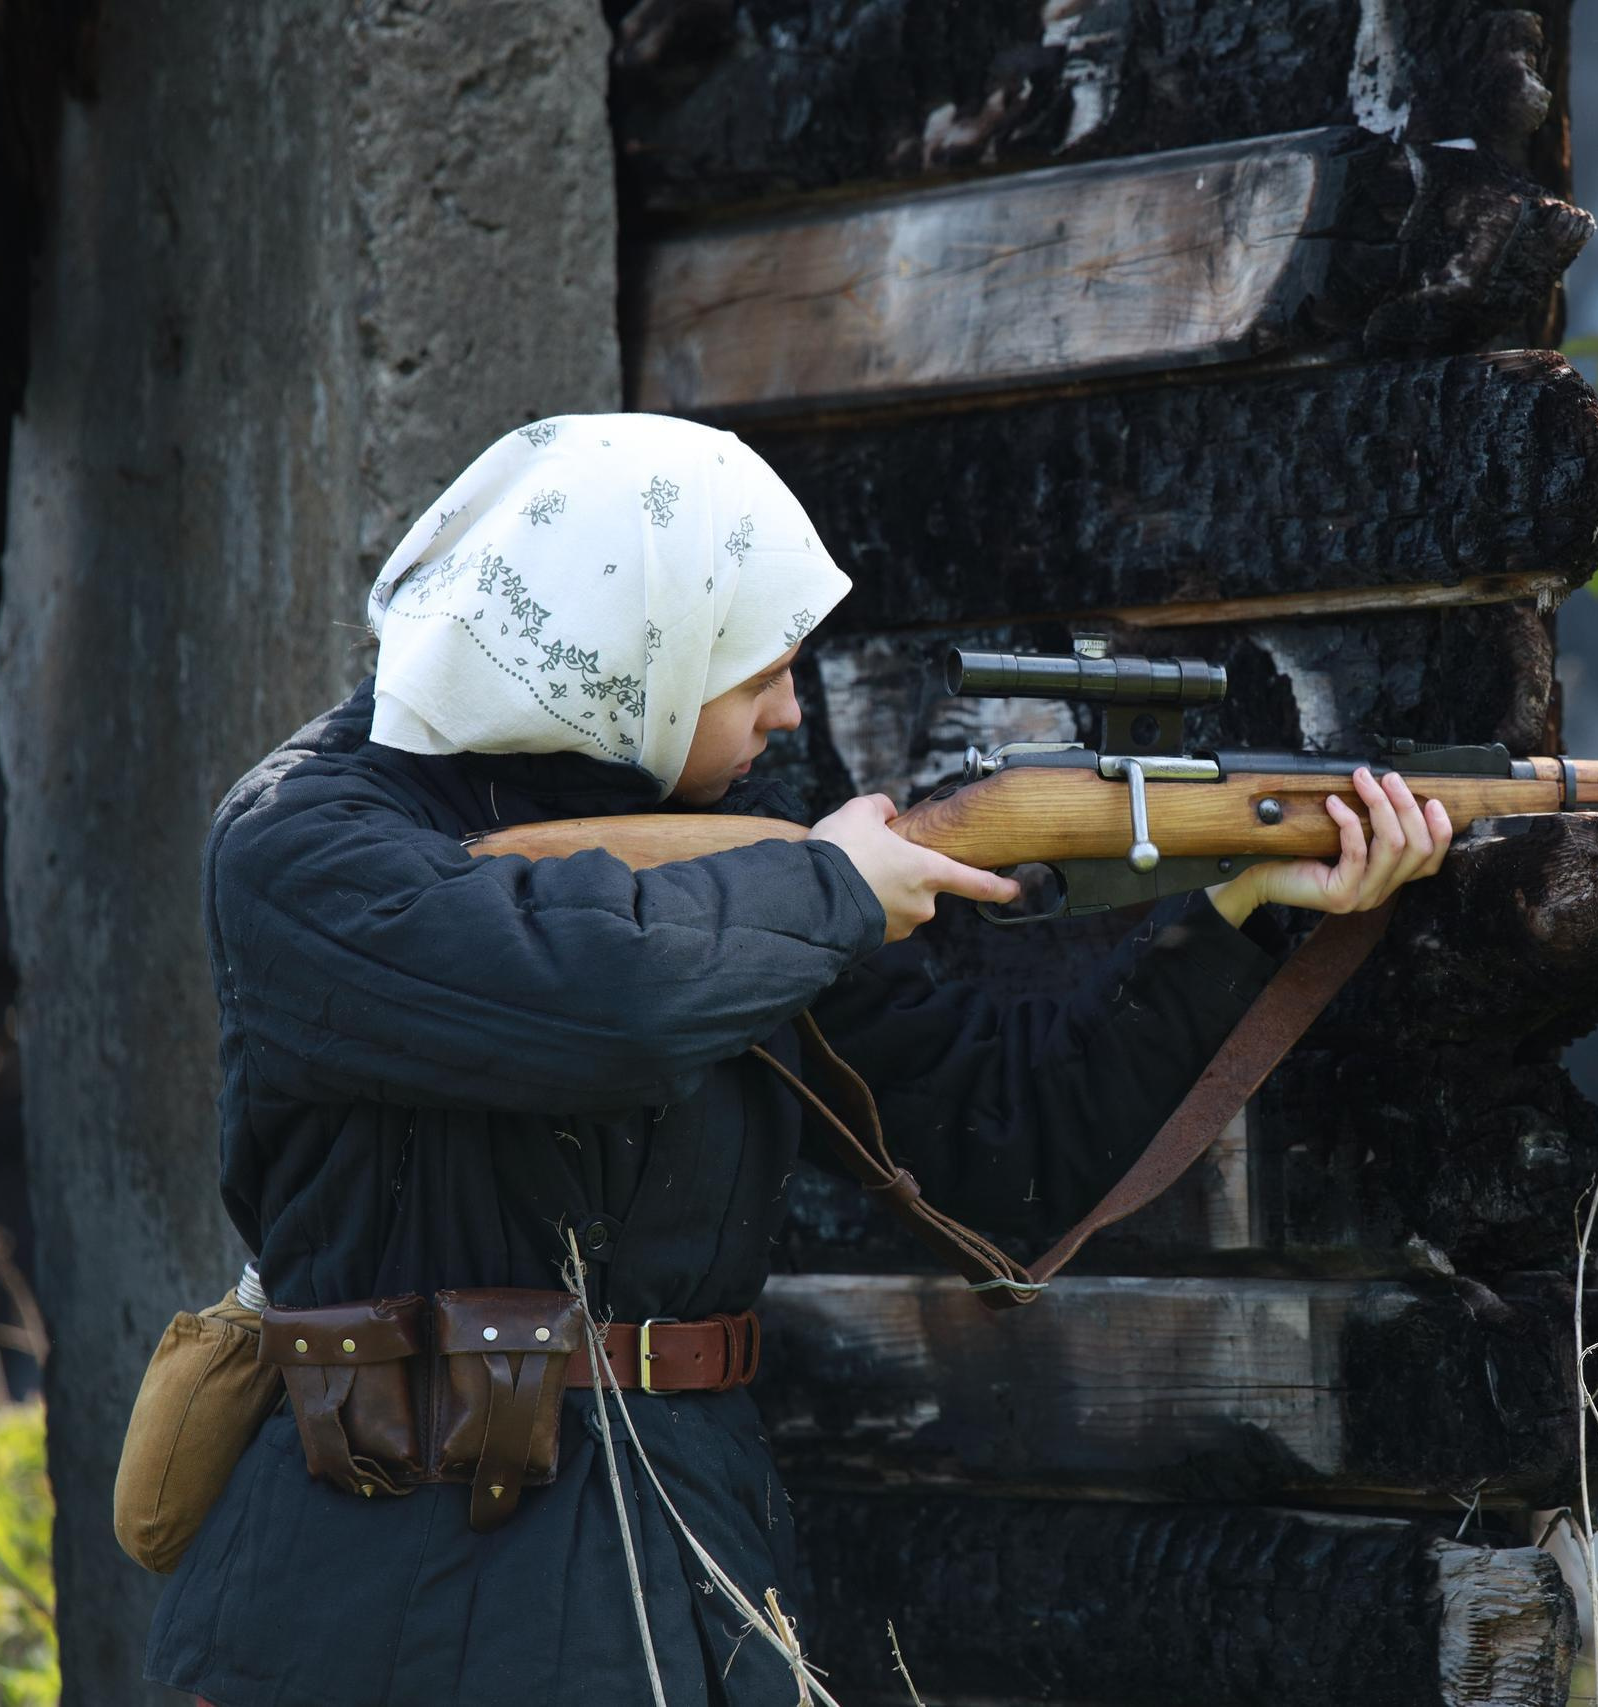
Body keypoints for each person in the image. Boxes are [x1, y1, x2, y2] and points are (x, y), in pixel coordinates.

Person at [142, 413, 1452, 1706]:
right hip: (390, 1595)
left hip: (694, 1564)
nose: (786, 709)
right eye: (756, 668)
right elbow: (612, 1005)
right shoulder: (304, 842)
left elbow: (1003, 1137)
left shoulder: (730, 837)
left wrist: (1243, 911)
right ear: (635, 651)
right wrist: (832, 889)